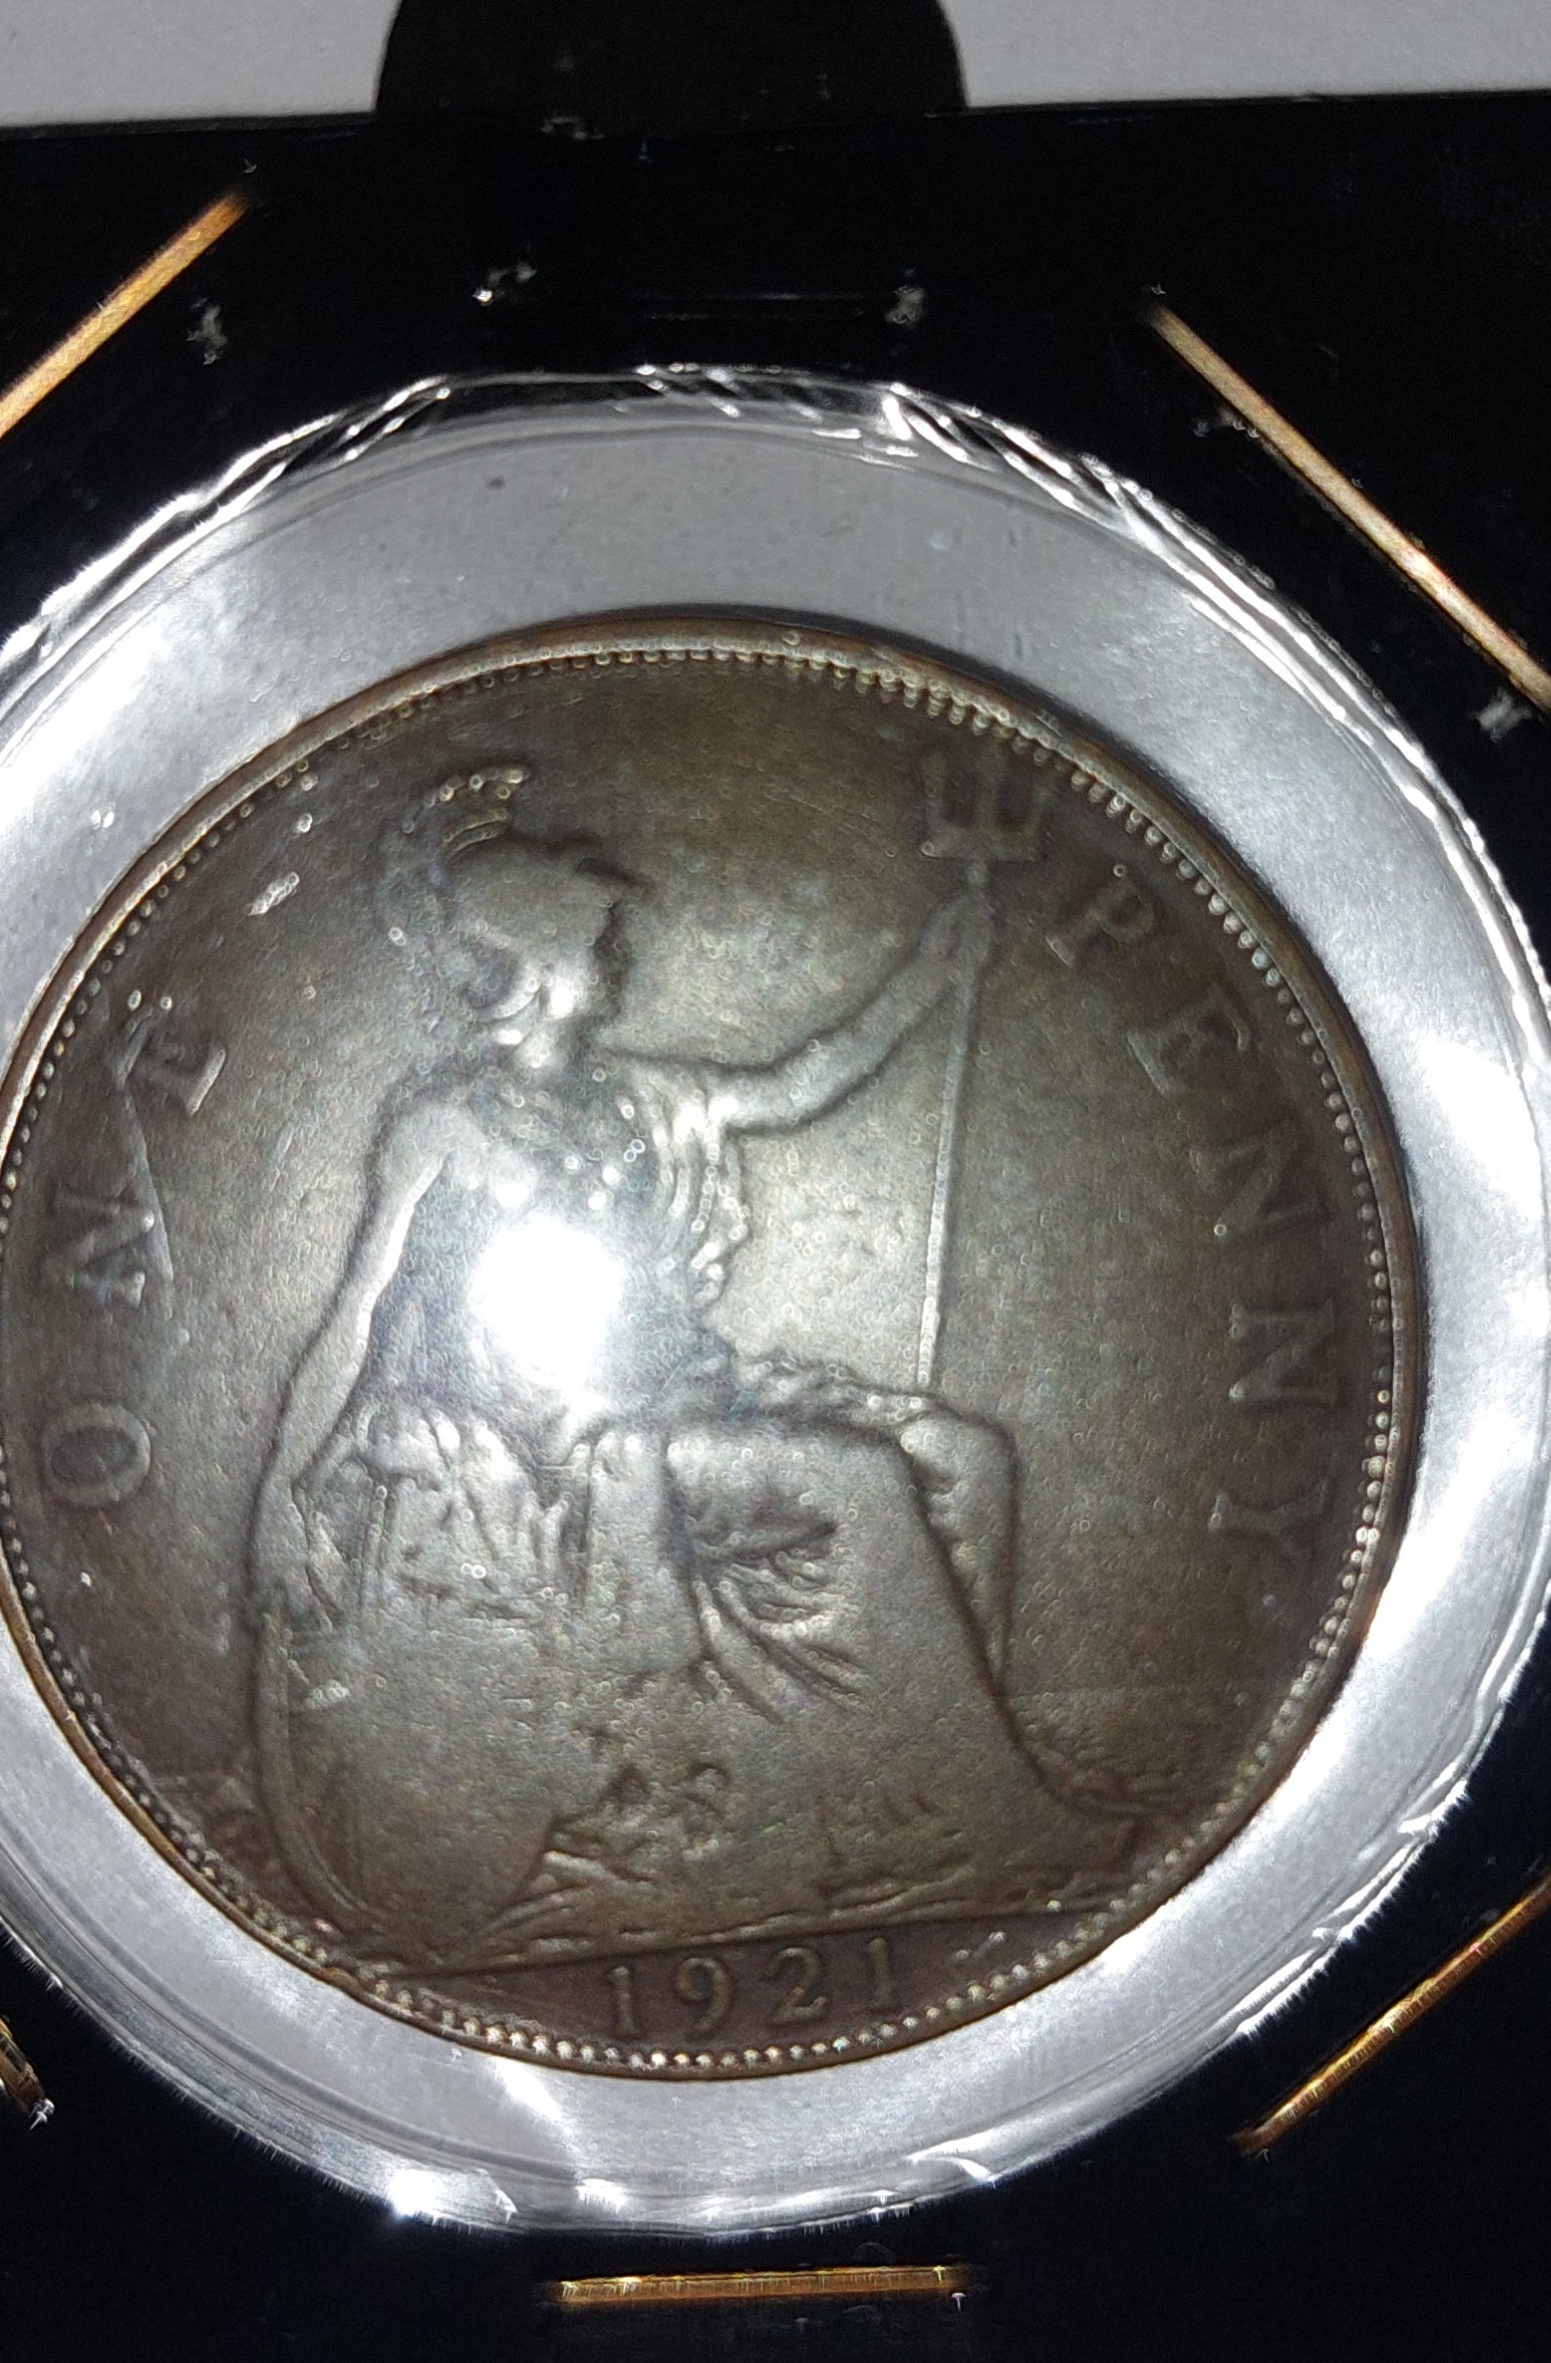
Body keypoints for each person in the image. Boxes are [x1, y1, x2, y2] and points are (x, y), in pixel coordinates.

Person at [246, 766, 1130, 1972]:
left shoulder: (646, 1095)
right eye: (597, 938)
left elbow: (800, 1084)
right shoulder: (442, 1129)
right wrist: (280, 1492)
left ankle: (897, 1797)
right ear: (535, 966)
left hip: (696, 1395)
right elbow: (353, 1316)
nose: (618, 954)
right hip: (570, 1450)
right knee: (858, 1484)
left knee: (964, 1458)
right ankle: (965, 1813)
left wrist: (930, 976)